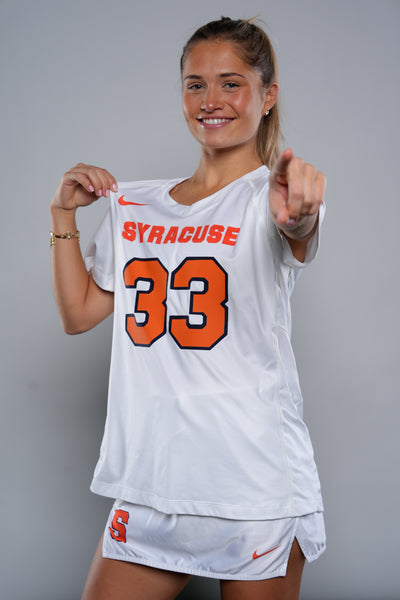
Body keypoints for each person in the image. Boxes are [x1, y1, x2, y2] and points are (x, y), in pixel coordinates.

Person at [50, 16, 326, 600]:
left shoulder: (272, 196)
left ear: (267, 96)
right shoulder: (135, 205)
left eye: (231, 83)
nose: (210, 100)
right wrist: (62, 216)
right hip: (151, 484)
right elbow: (78, 314)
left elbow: (298, 228)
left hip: (253, 485)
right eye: (195, 84)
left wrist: (299, 217)